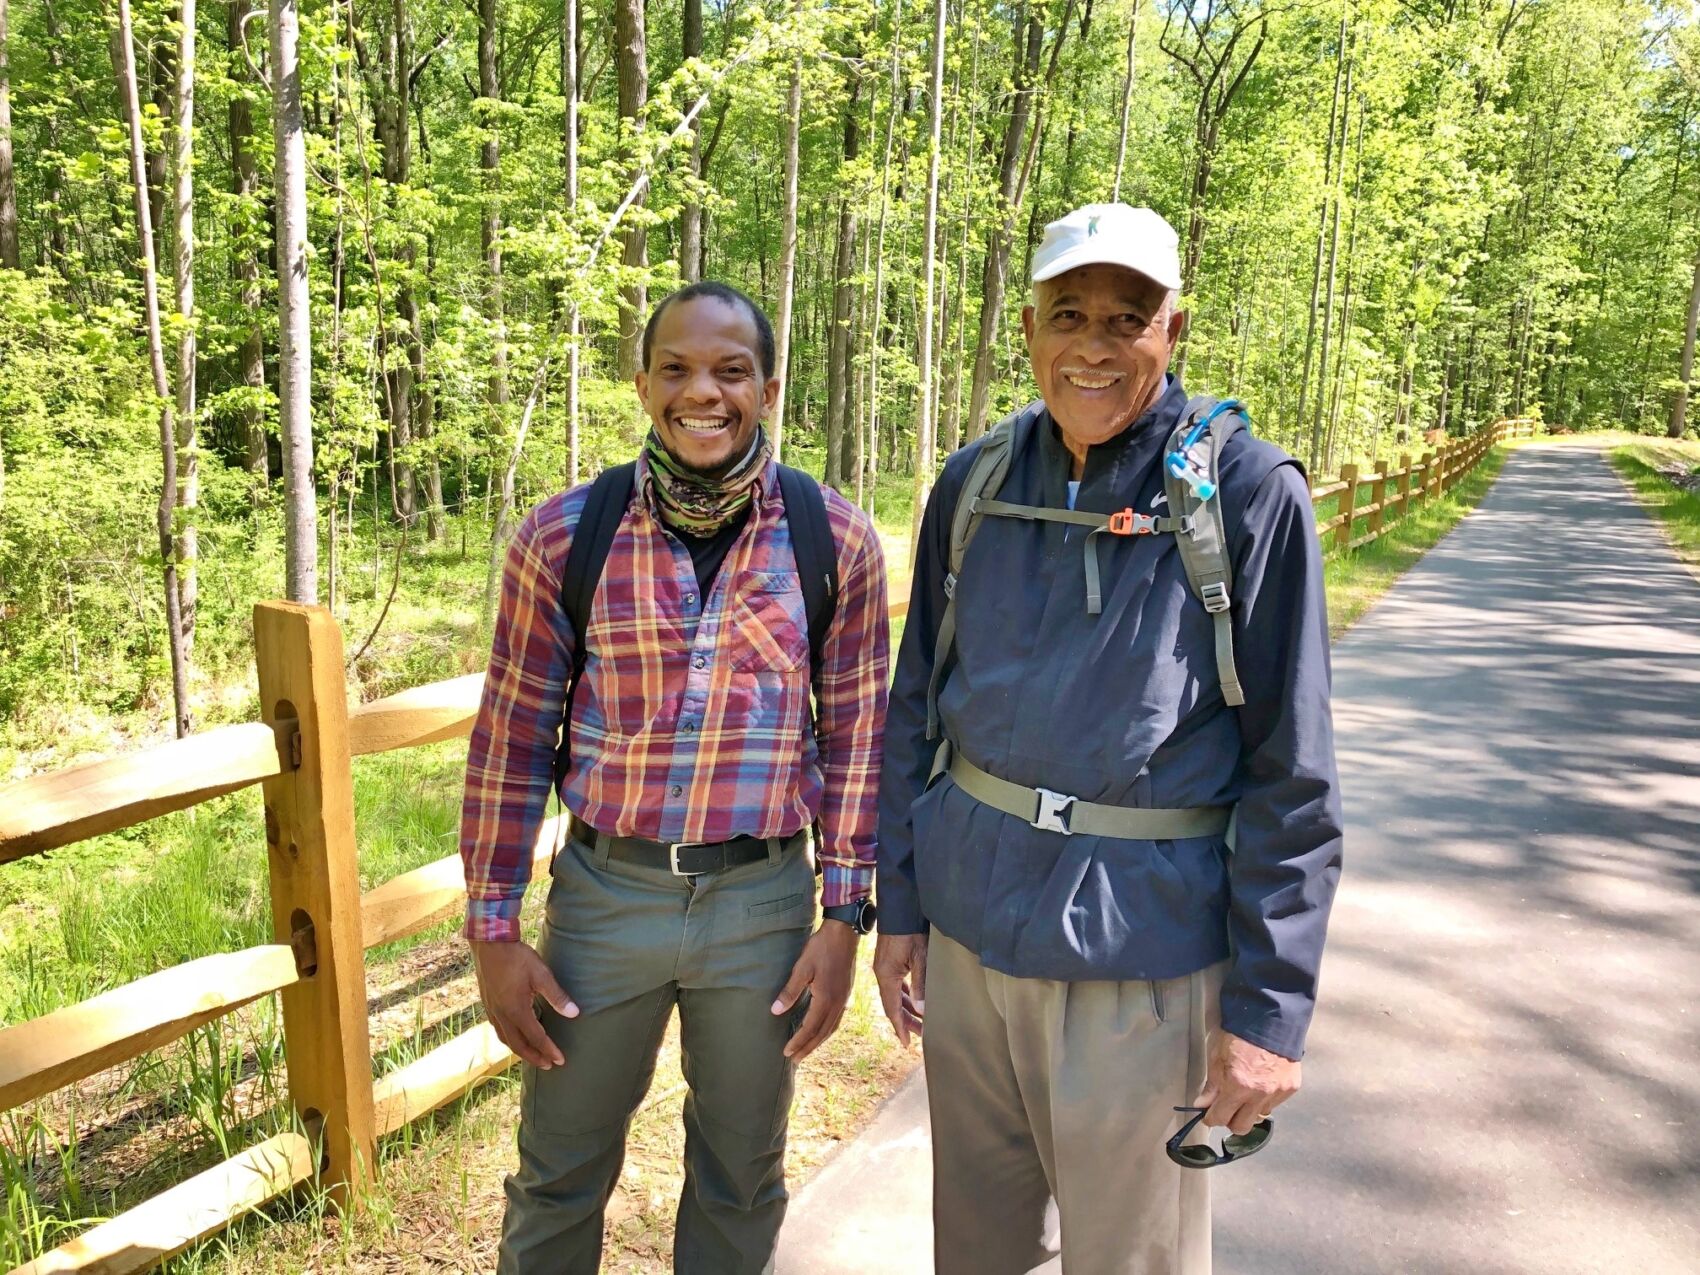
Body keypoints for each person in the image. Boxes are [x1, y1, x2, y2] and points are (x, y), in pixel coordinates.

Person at [873, 203, 1344, 1274]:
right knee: (974, 1251)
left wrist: (1269, 1013)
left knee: (1128, 1260)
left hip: (1138, 961)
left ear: (1171, 330)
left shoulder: (1244, 494)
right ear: (1029, 328)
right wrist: (899, 906)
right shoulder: (975, 483)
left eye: (1126, 318)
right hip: (969, 950)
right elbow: (916, 705)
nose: (1092, 343)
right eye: (1067, 312)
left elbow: (1291, 770)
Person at [461, 280, 889, 1274]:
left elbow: (860, 741)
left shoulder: (834, 541)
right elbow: (513, 737)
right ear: (643, 382)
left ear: (768, 388)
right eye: (679, 369)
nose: (705, 392)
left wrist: (845, 916)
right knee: (558, 1169)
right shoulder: (563, 537)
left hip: (762, 905)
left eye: (730, 371)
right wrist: (492, 928)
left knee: (742, 1169)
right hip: (606, 898)